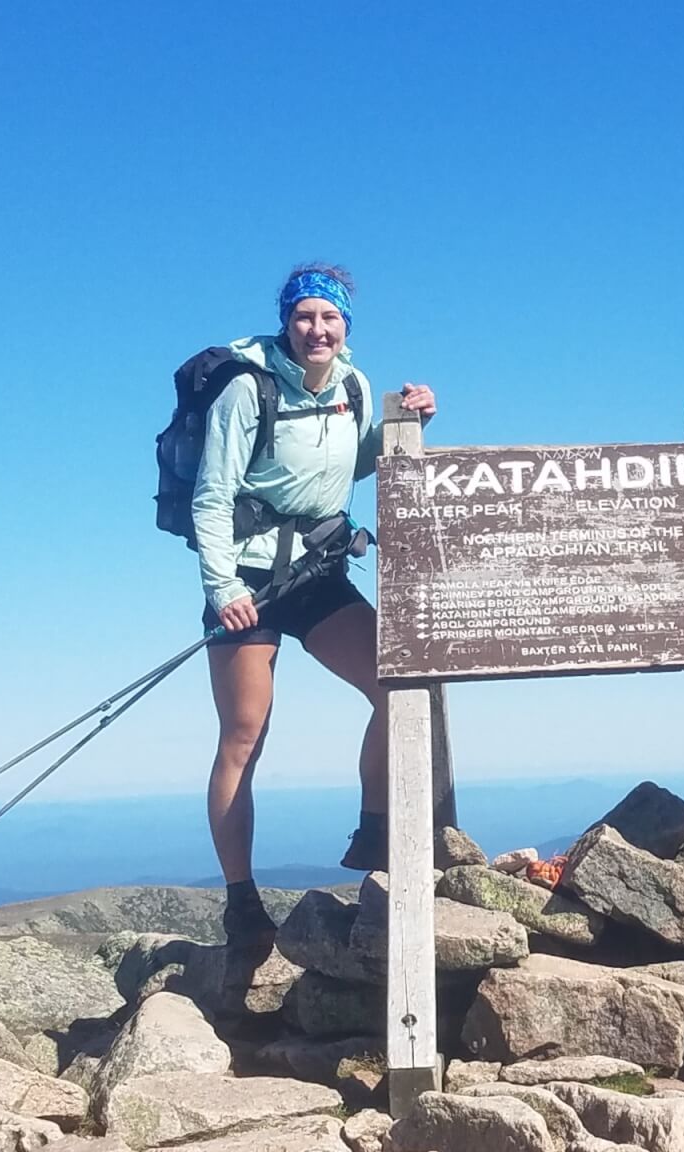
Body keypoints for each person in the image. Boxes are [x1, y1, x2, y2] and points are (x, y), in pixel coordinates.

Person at [194, 263, 437, 949]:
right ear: (287, 322)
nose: (317, 328)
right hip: (249, 577)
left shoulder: (355, 387)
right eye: (305, 316)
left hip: (319, 571)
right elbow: (211, 496)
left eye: (329, 318)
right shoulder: (248, 388)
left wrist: (408, 421)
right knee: (245, 734)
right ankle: (240, 901)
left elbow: (354, 463)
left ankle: (375, 829)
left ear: (345, 327)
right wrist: (224, 590)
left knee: (399, 682)